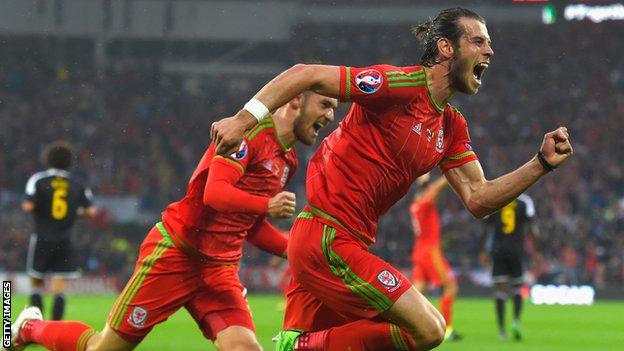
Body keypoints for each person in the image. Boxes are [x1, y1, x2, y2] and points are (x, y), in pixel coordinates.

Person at [211, 7, 573, 351]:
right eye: (478, 41)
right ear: (446, 48)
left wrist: (540, 163)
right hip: (327, 238)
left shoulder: (451, 126)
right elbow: (306, 73)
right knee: (429, 329)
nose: (490, 50)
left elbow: (479, 198)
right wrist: (243, 122)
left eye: (488, 42)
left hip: (344, 244)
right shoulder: (397, 85)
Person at [7, 91, 337, 351]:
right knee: (103, 347)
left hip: (218, 270)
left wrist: (297, 249)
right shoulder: (244, 134)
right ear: (295, 99)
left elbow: (250, 225)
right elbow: (215, 193)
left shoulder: (288, 160)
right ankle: (28, 328)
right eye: (324, 104)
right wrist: (266, 204)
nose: (330, 115)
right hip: (175, 254)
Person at [21, 141, 97, 321]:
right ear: (70, 161)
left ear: (48, 160)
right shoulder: (77, 183)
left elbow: (27, 205)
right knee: (59, 288)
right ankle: (55, 334)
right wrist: (74, 211)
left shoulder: (38, 180)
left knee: (36, 283)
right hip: (65, 240)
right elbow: (91, 210)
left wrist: (43, 208)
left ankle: (36, 327)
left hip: (42, 238)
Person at [409, 174, 461, 341]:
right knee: (451, 287)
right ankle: (446, 329)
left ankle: (405, 326)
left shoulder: (415, 205)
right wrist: (449, 174)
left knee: (416, 293)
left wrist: (423, 181)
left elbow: (429, 189)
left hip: (419, 251)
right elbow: (435, 189)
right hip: (430, 252)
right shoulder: (424, 204)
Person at [480, 193, 535, 341]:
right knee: (518, 287)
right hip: (517, 250)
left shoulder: (496, 198)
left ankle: (502, 331)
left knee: (500, 290)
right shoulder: (525, 201)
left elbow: (487, 228)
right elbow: (531, 229)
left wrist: (483, 250)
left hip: (498, 250)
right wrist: (536, 251)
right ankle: (516, 321)